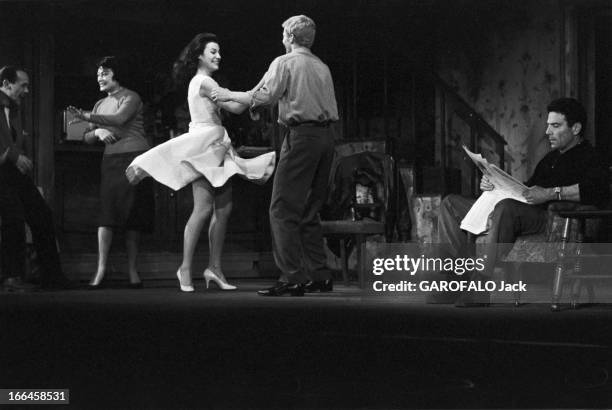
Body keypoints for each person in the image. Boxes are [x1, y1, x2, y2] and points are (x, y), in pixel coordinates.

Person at [126, 33, 275, 292]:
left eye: (219, 52)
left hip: (218, 144)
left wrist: (259, 95)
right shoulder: (203, 81)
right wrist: (256, 91)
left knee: (224, 209)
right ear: (199, 55)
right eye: (213, 51)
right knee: (203, 209)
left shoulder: (209, 82)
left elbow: (236, 107)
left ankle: (214, 268)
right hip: (205, 146)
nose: (218, 56)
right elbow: (229, 95)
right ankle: (184, 267)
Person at [437, 98, 610, 306]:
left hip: (551, 218)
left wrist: (550, 193)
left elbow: (596, 190)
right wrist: (495, 184)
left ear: (575, 128)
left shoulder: (591, 156)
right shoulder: (551, 158)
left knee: (506, 208)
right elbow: (527, 188)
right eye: (548, 125)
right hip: (525, 208)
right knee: (450, 204)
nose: (547, 132)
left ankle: (481, 286)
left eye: (555, 126)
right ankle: (454, 279)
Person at [212, 15, 339, 296]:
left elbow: (263, 95)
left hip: (302, 137)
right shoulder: (322, 66)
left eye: (284, 34)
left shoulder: (285, 62)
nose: (282, 38)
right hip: (328, 138)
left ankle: (292, 276)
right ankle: (320, 274)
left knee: (281, 209)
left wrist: (224, 94)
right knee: (309, 209)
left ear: (291, 37)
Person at [67, 56, 155, 289]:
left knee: (132, 216)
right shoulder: (98, 104)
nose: (100, 78)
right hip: (110, 162)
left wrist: (86, 116)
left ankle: (133, 270)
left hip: (134, 159)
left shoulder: (131, 96)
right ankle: (101, 269)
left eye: (104, 73)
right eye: (98, 74)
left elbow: (119, 119)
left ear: (117, 74)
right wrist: (97, 133)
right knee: (106, 215)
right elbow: (84, 136)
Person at [0, 66, 74, 291]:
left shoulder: (13, 107)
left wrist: (18, 155)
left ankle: (51, 276)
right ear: (6, 83)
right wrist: (14, 155)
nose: (27, 90)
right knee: (13, 218)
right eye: (23, 85)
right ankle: (12, 278)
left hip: (12, 170)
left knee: (41, 214)